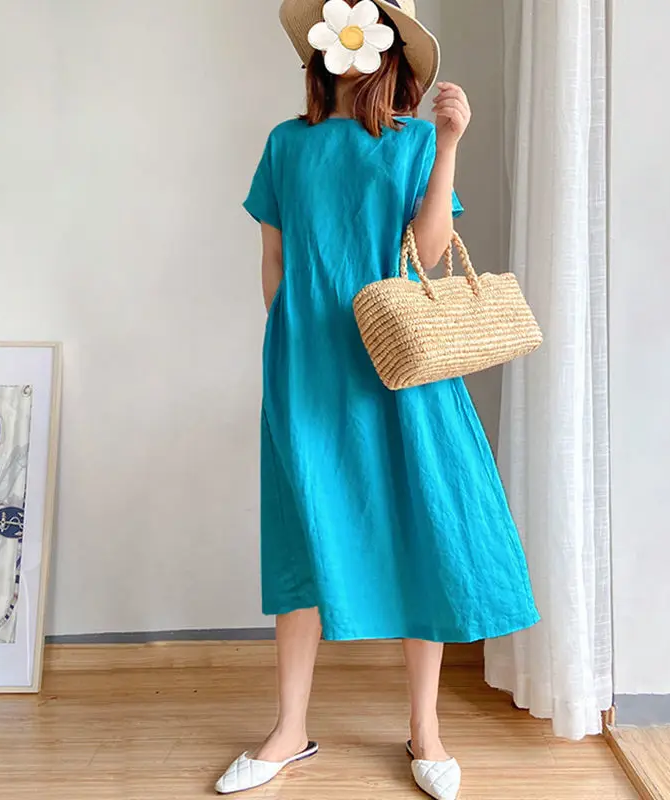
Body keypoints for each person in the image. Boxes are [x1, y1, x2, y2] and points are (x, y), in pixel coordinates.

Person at [216, 1, 539, 797]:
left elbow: (427, 252)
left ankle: (425, 729)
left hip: (400, 363)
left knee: (422, 525)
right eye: (341, 29)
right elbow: (274, 262)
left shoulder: (416, 142)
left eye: (368, 30)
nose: (351, 46)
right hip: (310, 369)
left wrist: (450, 144)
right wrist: (291, 342)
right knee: (302, 534)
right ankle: (289, 729)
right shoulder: (285, 144)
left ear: (391, 52)